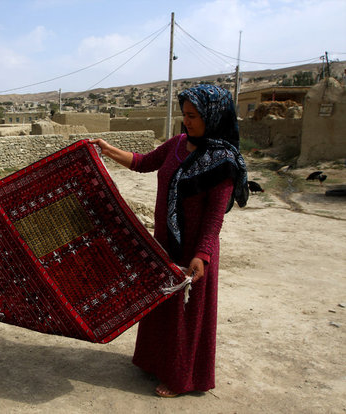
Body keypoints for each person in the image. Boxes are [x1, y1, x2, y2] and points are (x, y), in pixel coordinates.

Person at [90, 84, 248, 398]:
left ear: (213, 117)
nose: (186, 122)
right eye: (184, 115)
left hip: (193, 252)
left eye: (193, 116)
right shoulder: (177, 144)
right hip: (164, 245)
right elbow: (142, 162)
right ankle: (155, 363)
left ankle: (182, 380)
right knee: (163, 308)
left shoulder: (223, 161)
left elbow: (215, 216)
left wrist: (202, 255)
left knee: (186, 315)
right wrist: (107, 150)